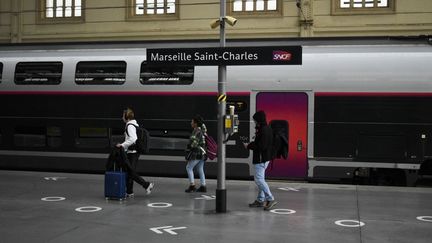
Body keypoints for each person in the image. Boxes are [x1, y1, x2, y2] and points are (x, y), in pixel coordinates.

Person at [116, 108, 154, 197]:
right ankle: (129, 192)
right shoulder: (133, 125)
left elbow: (133, 139)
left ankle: (147, 185)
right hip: (133, 152)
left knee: (131, 172)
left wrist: (122, 145)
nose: (122, 118)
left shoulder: (129, 126)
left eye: (123, 116)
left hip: (132, 152)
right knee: (130, 172)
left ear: (127, 117)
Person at [244, 110, 277, 210]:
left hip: (261, 159)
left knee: (258, 180)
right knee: (261, 179)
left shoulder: (263, 130)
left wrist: (249, 145)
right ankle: (260, 200)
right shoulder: (267, 128)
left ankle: (270, 198)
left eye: (255, 120)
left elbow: (261, 146)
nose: (255, 122)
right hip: (265, 158)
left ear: (259, 120)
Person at [185, 115, 207, 193]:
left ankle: (192, 186)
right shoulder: (202, 130)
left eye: (192, 122)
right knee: (200, 169)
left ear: (195, 123)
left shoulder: (196, 131)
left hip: (197, 153)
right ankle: (203, 186)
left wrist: (189, 147)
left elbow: (194, 144)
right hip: (203, 152)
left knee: (188, 167)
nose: (191, 123)